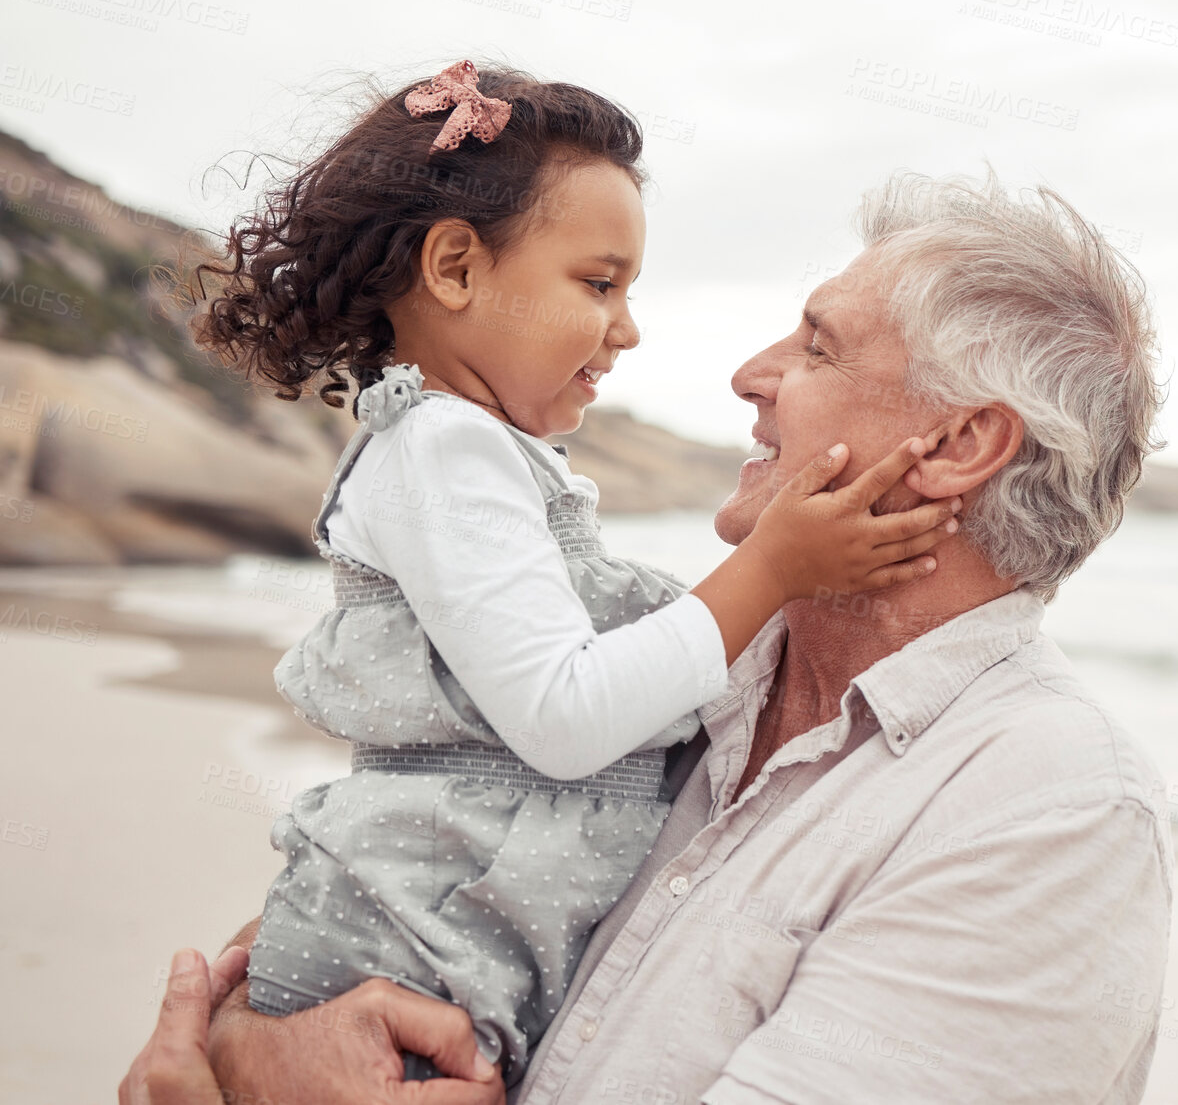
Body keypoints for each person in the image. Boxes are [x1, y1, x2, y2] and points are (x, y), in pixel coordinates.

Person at [125, 168, 1172, 1105]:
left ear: (959, 444)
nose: (749, 375)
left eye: (816, 345)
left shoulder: (1052, 810)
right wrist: (253, 1042)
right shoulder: (660, 669)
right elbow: (384, 902)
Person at [162, 59, 962, 1087]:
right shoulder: (446, 452)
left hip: (454, 931)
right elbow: (564, 716)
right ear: (453, 269)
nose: (626, 328)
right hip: (417, 939)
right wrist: (770, 569)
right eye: (598, 284)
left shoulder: (472, 453)